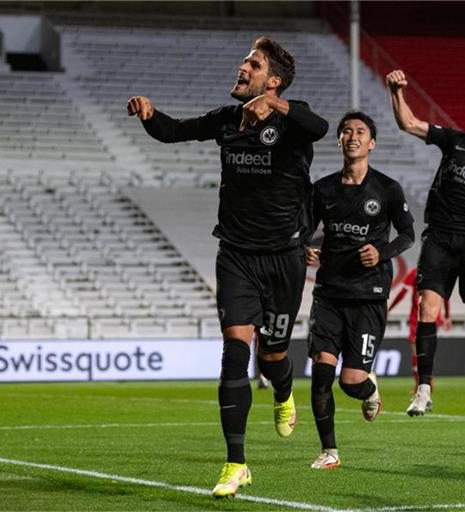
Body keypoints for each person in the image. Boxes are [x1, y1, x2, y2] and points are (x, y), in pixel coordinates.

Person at [127, 36, 329, 498]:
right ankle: (235, 464)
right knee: (235, 353)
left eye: (252, 64)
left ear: (272, 80)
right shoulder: (226, 119)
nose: (242, 67)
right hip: (236, 254)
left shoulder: (293, 118)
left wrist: (275, 106)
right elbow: (173, 131)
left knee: (273, 355)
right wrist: (148, 113)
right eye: (244, 61)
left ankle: (282, 392)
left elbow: (318, 127)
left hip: (285, 257)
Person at [386, 69, 465, 416]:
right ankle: (424, 390)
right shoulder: (454, 140)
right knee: (426, 309)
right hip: (439, 238)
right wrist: (395, 91)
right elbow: (409, 124)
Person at [306, 111, 415, 470]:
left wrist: (381, 252)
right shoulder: (321, 189)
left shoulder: (387, 189)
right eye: (346, 131)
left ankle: (368, 388)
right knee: (321, 373)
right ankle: (330, 451)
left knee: (349, 383)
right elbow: (301, 230)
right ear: (339, 140)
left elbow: (407, 235)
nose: (353, 136)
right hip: (329, 294)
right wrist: (302, 248)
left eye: (360, 131)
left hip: (368, 296)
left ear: (372, 143)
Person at [388, 267, 450, 393]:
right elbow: (444, 295)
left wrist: (390, 308)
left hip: (418, 316)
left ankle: (421, 383)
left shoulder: (415, 272)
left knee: (416, 350)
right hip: (433, 316)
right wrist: (447, 315)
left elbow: (402, 293)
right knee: (426, 349)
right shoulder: (436, 272)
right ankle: (426, 381)